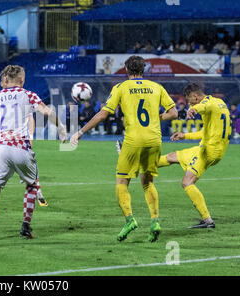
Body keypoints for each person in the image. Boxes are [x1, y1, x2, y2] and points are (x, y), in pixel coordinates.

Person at [70, 56, 178, 242]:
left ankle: (130, 219)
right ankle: (155, 221)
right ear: (144, 69)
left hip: (133, 139)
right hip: (154, 139)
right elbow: (174, 113)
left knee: (122, 182)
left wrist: (80, 132)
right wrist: (155, 118)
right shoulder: (156, 87)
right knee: (147, 181)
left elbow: (104, 114)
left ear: (126, 68)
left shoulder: (120, 88)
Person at [0, 65, 67, 243]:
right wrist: (61, 128)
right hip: (21, 147)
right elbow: (47, 112)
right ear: (22, 80)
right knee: (31, 185)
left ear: (6, 80)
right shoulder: (28, 94)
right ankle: (25, 227)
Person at [158, 83, 232, 228]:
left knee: (187, 182)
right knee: (172, 157)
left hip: (208, 151)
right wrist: (185, 136)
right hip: (210, 147)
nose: (189, 103)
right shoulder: (219, 102)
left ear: (195, 96)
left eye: (190, 101)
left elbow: (203, 106)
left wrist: (193, 109)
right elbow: (205, 132)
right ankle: (139, 162)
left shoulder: (205, 104)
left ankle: (207, 220)